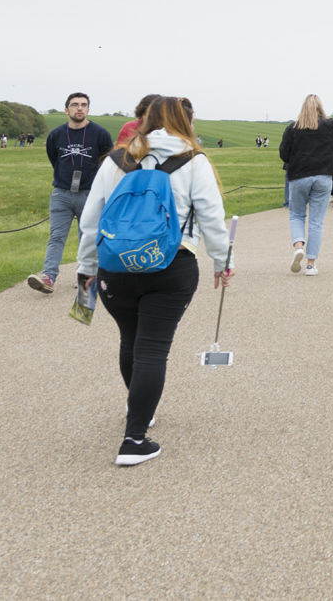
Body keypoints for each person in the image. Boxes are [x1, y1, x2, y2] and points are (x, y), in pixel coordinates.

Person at [75, 96, 231, 466]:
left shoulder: (116, 159)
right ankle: (134, 437)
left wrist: (86, 267)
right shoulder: (194, 160)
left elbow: (92, 219)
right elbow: (211, 217)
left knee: (131, 340)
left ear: (145, 120)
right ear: (185, 120)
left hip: (116, 267)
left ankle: (140, 410)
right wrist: (222, 262)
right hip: (172, 265)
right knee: (153, 348)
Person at [28, 93, 114, 294]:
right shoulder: (56, 135)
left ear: (88, 110)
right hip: (61, 194)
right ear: (66, 110)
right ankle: (48, 277)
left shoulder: (100, 134)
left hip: (90, 194)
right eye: (74, 105)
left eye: (84, 105)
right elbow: (54, 159)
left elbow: (108, 163)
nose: (79, 108)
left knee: (87, 237)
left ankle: (86, 278)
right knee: (56, 237)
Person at [279, 95, 333, 274]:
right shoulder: (330, 125)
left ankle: (298, 246)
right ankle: (311, 264)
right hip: (323, 176)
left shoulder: (293, 127)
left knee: (297, 215)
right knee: (316, 221)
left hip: (299, 175)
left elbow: (284, 154)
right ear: (320, 108)